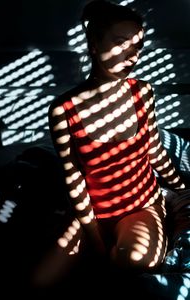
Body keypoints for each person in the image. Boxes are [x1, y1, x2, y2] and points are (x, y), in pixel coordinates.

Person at [32, 0, 187, 288]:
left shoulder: (143, 92)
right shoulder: (64, 109)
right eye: (121, 42)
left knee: (134, 258)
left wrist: (181, 187)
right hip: (92, 212)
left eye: (137, 46)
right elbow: (73, 178)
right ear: (93, 45)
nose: (132, 55)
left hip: (140, 204)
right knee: (41, 280)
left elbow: (155, 150)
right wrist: (94, 236)